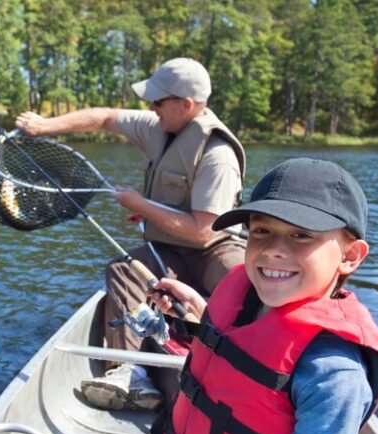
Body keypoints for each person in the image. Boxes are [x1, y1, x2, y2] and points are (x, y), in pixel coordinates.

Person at [46, 158, 378, 434]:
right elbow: (241, 358)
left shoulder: (336, 375)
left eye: (302, 235)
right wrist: (198, 312)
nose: (275, 249)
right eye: (261, 230)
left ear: (351, 256)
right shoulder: (242, 296)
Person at [15, 57, 246, 411]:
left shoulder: (218, 155)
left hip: (215, 246)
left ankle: (251, 368)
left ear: (185, 105)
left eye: (158, 101)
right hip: (169, 248)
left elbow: (203, 231)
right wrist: (46, 126)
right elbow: (107, 118)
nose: (150, 108)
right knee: (123, 271)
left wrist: (141, 204)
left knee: (243, 283)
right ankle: (128, 372)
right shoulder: (159, 127)